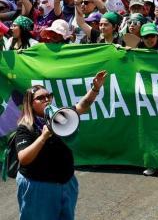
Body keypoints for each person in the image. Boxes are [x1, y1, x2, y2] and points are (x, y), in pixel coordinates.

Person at [15, 71, 108, 220]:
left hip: (66, 183)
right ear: (30, 104)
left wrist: (95, 88)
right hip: (39, 187)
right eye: (41, 98)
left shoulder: (59, 114)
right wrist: (43, 137)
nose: (47, 99)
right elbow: (24, 158)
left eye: (48, 96)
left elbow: (82, 106)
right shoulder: (26, 127)